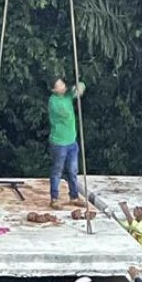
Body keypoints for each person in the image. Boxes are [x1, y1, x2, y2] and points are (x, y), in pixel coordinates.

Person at [48, 77, 87, 210]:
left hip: (72, 141)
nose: (63, 87)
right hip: (59, 142)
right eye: (59, 86)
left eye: (63, 84)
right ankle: (54, 198)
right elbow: (64, 114)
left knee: (73, 170)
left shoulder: (67, 95)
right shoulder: (53, 101)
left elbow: (81, 85)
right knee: (57, 170)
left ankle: (74, 196)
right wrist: (74, 93)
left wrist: (78, 87)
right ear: (54, 89)